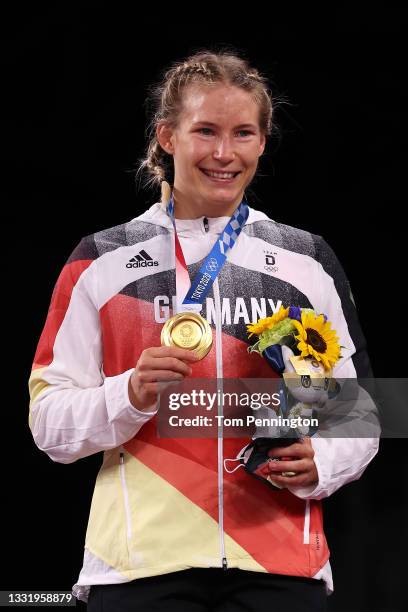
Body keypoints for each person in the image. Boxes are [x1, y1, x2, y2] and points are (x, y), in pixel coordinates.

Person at [28, 50, 379, 611]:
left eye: (242, 133)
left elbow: (363, 408)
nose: (224, 153)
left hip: (280, 561)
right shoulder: (100, 259)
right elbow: (47, 424)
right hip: (139, 565)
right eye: (205, 131)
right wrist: (130, 393)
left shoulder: (305, 258)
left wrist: (328, 459)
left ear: (263, 142)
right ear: (167, 136)